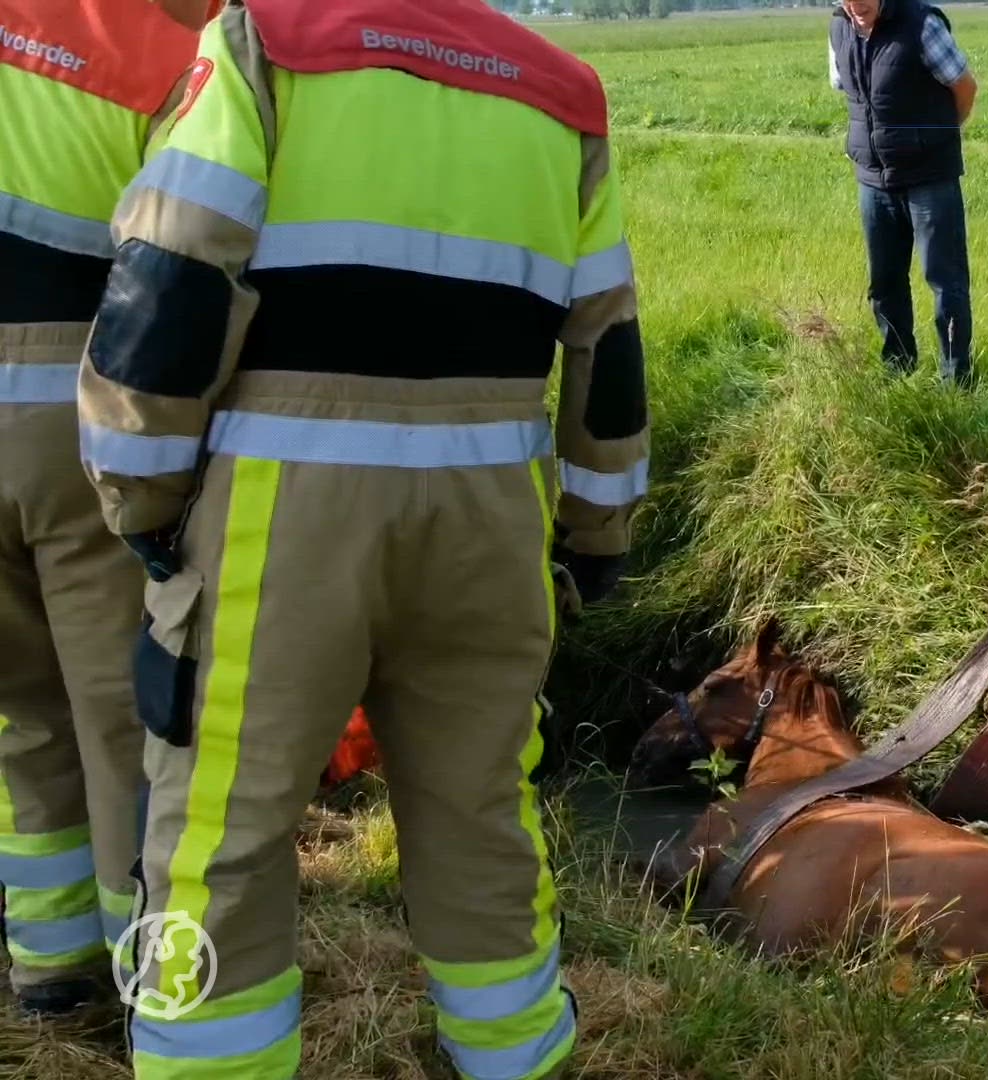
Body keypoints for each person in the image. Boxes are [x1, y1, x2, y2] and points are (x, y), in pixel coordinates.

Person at [74, 0, 647, 1075]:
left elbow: (174, 272)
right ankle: (517, 1056)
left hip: (281, 513)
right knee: (482, 814)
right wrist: (596, 533)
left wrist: (140, 503)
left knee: (220, 836)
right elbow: (606, 340)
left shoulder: (264, 43)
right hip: (490, 514)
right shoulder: (559, 91)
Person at [0, 0, 219, 1018]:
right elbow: (183, 269)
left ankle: (48, 976)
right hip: (69, 408)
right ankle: (152, 986)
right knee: (121, 725)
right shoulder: (160, 52)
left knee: (20, 716)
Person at [829, 0, 979, 387]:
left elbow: (964, 85)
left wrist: (939, 136)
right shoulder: (838, 27)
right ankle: (898, 369)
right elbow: (845, 87)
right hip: (873, 180)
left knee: (945, 282)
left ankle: (955, 380)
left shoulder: (921, 24)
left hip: (930, 177)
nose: (854, 4)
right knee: (885, 283)